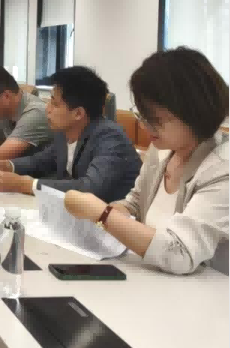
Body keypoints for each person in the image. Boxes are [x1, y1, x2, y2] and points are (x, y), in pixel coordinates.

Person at [65, 48, 229, 275]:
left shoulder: (221, 168)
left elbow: (180, 254)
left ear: (194, 113)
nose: (144, 125)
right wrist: (113, 212)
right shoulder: (162, 148)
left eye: (155, 119)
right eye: (141, 114)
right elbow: (135, 204)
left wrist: (102, 214)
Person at [0, 66, 141, 201]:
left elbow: (90, 188)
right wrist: (6, 166)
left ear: (78, 113)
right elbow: (40, 161)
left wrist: (25, 184)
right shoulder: (64, 132)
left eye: (54, 104)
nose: (47, 108)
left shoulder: (110, 138)